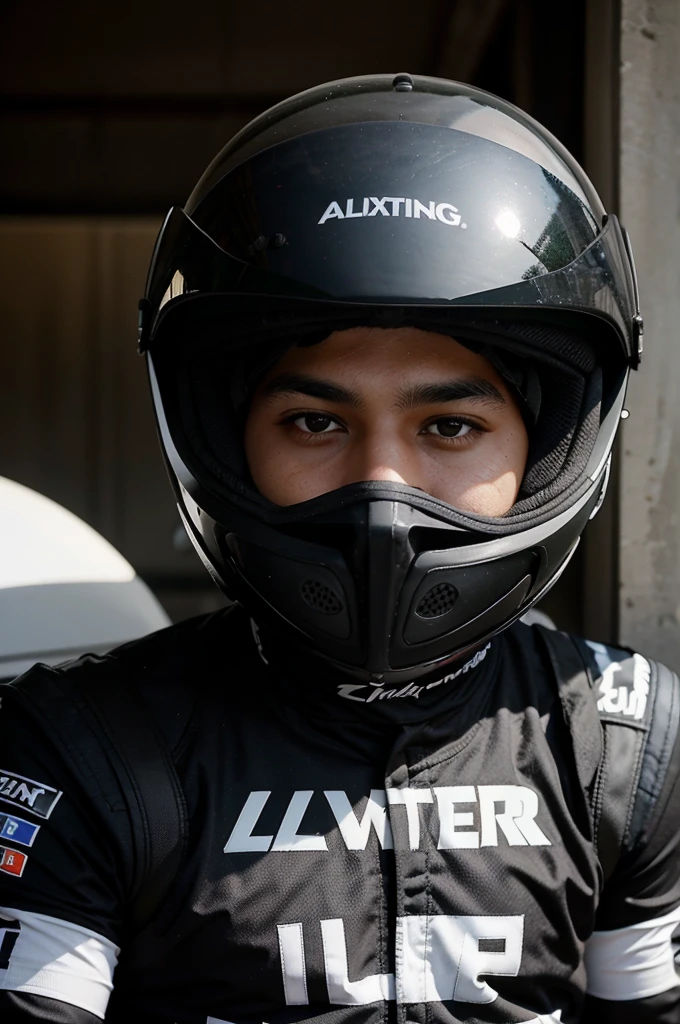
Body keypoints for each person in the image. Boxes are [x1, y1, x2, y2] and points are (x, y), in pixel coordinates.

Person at [0, 73, 678, 1024]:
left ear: (548, 447)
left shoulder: (625, 746)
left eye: (448, 426)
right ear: (226, 439)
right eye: (316, 420)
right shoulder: (82, 746)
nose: (384, 490)